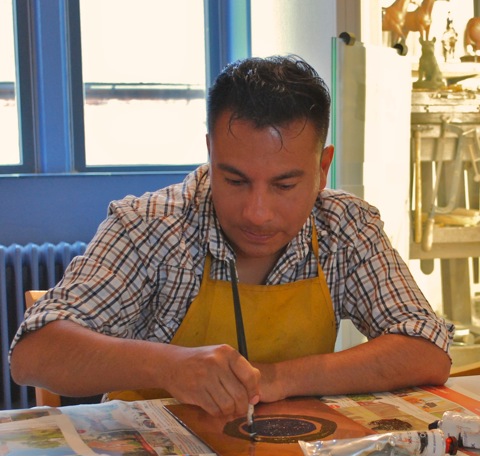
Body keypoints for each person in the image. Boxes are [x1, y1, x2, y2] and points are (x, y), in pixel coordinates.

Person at [10, 55, 453, 418]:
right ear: (210, 152)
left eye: (284, 185)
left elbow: (426, 348)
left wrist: (278, 378)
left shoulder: (345, 225)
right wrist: (168, 367)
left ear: (322, 169)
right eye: (235, 180)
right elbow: (32, 353)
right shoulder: (151, 225)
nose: (257, 213)